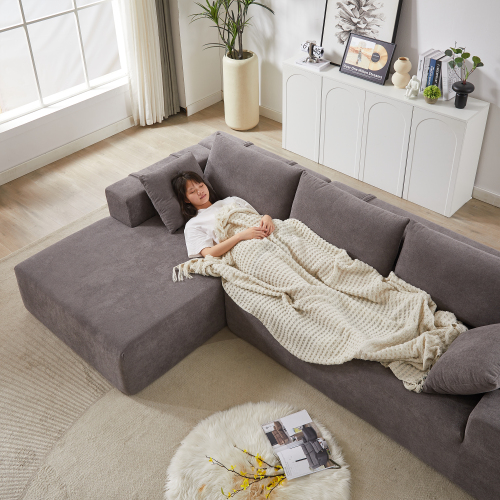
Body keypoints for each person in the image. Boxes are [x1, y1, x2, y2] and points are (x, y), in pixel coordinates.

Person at [171, 171, 275, 258]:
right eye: (192, 191)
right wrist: (240, 236)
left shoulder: (232, 200)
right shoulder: (193, 224)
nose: (200, 192)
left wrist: (267, 217)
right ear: (186, 199)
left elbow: (255, 217)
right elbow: (208, 253)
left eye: (201, 186)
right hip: (248, 249)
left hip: (267, 232)